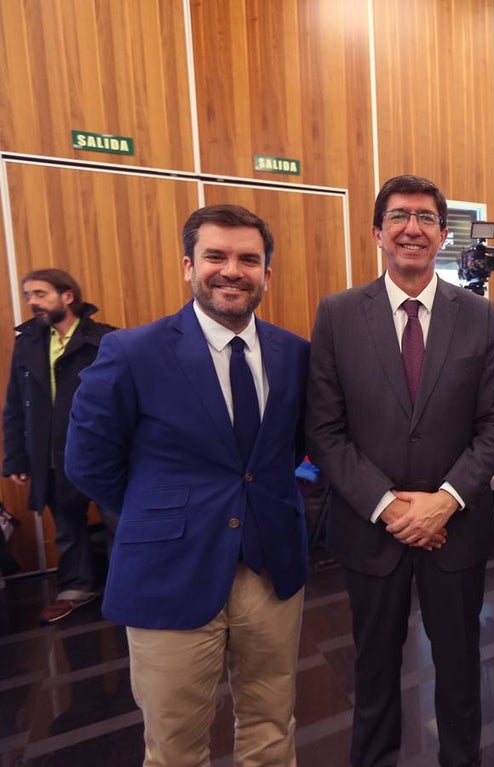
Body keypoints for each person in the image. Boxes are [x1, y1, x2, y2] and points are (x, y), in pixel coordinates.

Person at [65, 205, 311, 765]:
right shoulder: (131, 352)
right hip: (168, 570)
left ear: (267, 273)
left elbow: (292, 445)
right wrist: (162, 513)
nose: (232, 270)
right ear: (188, 265)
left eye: (249, 259)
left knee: (273, 729)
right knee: (175, 746)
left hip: (271, 566)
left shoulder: (294, 353)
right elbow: (88, 462)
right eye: (215, 256)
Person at [305, 174, 494, 767]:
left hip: (457, 529)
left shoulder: (478, 315)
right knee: (372, 672)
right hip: (372, 530)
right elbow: (324, 429)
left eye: (426, 218)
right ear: (377, 233)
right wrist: (389, 505)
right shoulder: (339, 314)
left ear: (443, 234)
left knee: (459, 670)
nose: (412, 228)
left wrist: (444, 500)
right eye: (399, 217)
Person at [2, 268, 116, 623]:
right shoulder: (28, 344)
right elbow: (15, 404)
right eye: (28, 295)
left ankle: (128, 585)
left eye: (40, 294)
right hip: (51, 456)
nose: (32, 302)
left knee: (120, 523)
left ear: (67, 296)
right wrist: (16, 458)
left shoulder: (105, 340)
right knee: (68, 528)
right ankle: (76, 587)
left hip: (105, 453)